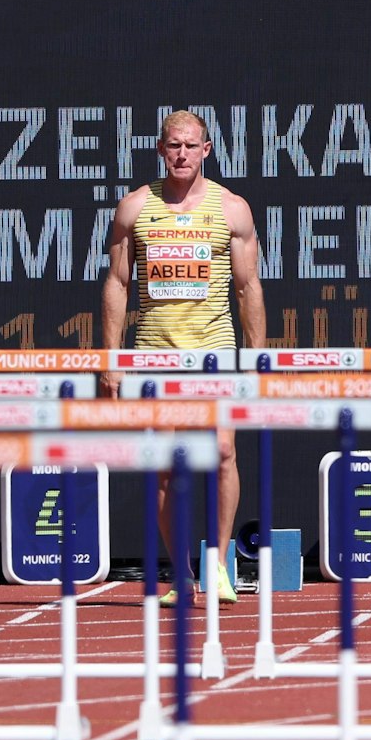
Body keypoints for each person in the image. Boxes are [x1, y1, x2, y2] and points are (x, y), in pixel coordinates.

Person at [98, 110, 265, 605]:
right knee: (165, 468)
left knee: (223, 452)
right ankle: (182, 572)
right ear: (159, 148)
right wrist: (111, 358)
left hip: (213, 349)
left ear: (207, 150)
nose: (182, 154)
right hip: (154, 351)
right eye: (174, 145)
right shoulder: (134, 208)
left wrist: (258, 358)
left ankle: (217, 564)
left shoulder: (232, 209)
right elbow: (117, 284)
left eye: (191, 146)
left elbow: (248, 285)